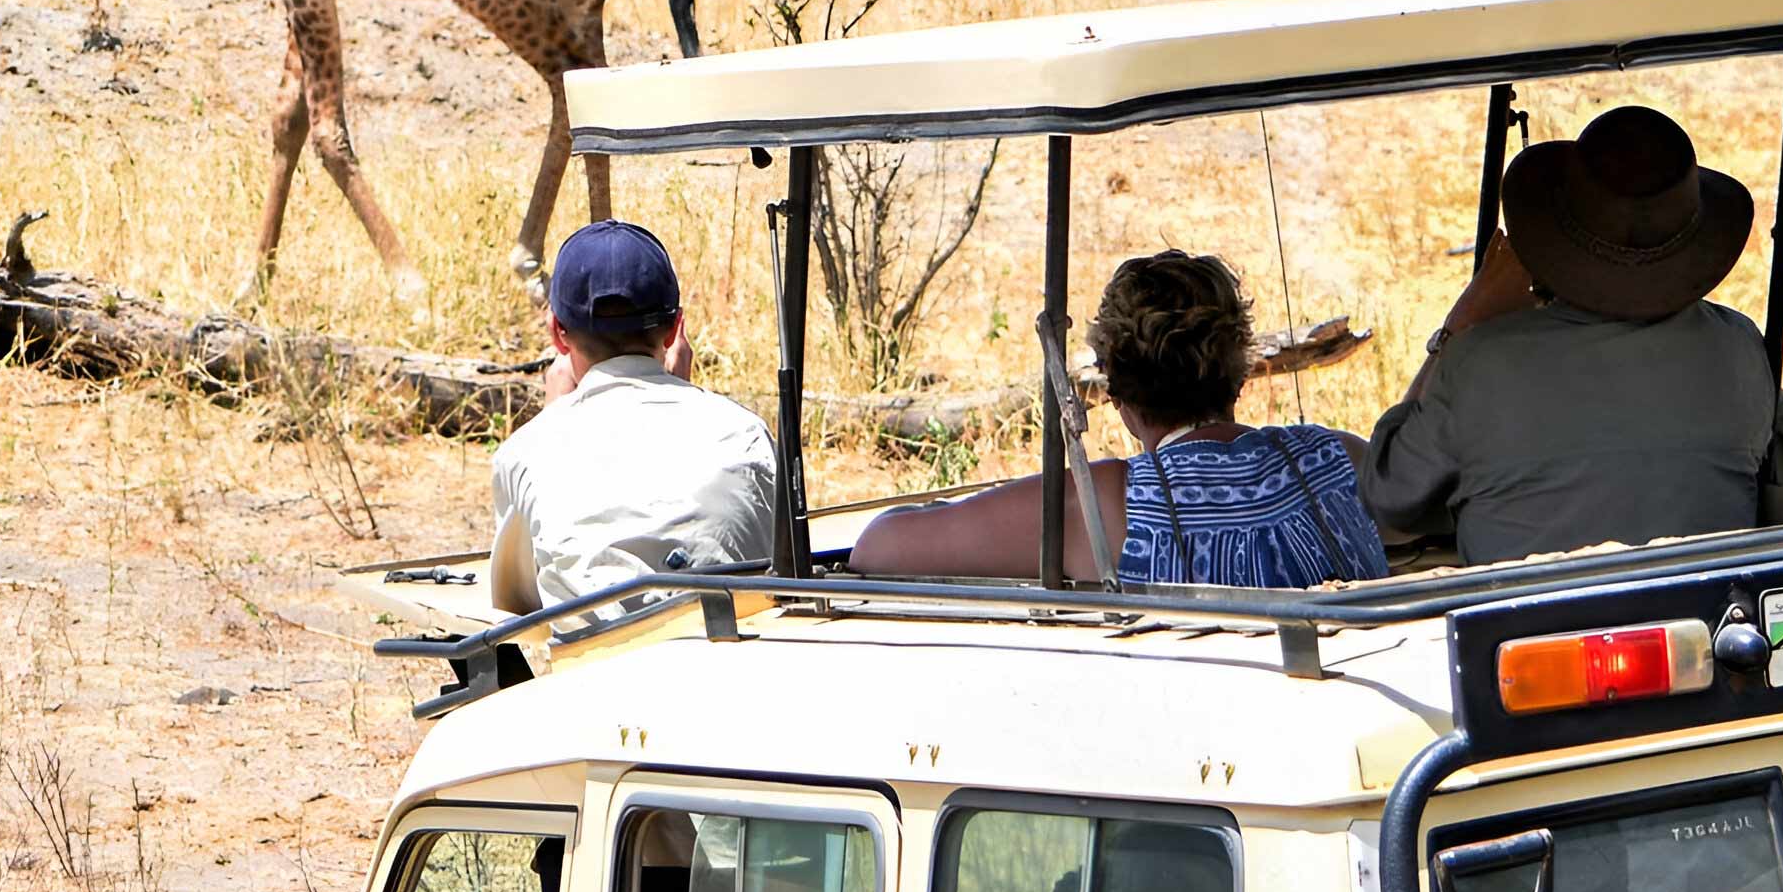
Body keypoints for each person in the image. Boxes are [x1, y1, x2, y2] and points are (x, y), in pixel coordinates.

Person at [1360, 104, 1783, 565]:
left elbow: (1391, 497)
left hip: (1525, 625)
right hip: (1708, 622)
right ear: (1692, 240)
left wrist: (1459, 327)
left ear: (1553, 239)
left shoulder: (1478, 361)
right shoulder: (1737, 345)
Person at [846, 251, 1383, 588]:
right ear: (1241, 370)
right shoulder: (1335, 459)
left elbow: (878, 547)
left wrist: (946, 505)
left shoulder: (1102, 503)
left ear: (1115, 388)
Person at [488, 221, 776, 624]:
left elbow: (519, 601)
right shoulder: (748, 434)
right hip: (726, 673)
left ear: (558, 333)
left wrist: (554, 419)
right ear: (676, 329)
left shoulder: (526, 452)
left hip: (598, 677)